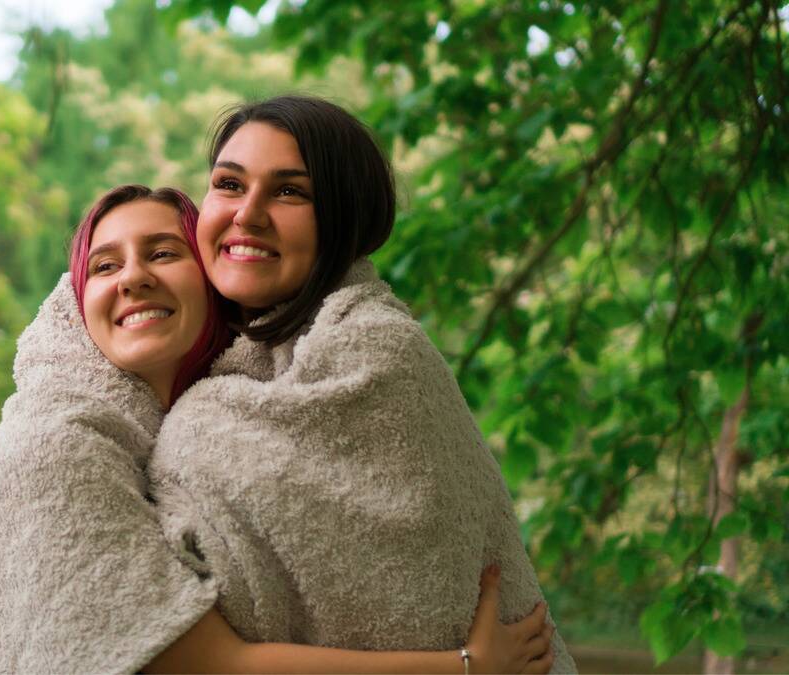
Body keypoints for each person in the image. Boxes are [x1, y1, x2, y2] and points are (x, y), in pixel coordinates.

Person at [0, 183, 554, 674]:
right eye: (105, 267)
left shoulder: (197, 442)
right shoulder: (57, 447)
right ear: (77, 307)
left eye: (163, 253)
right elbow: (208, 667)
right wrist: (467, 666)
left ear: (214, 282)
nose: (134, 276)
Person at [147, 96, 578, 673]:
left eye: (289, 191)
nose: (247, 214)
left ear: (343, 220)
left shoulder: (377, 351)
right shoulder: (190, 344)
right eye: (229, 184)